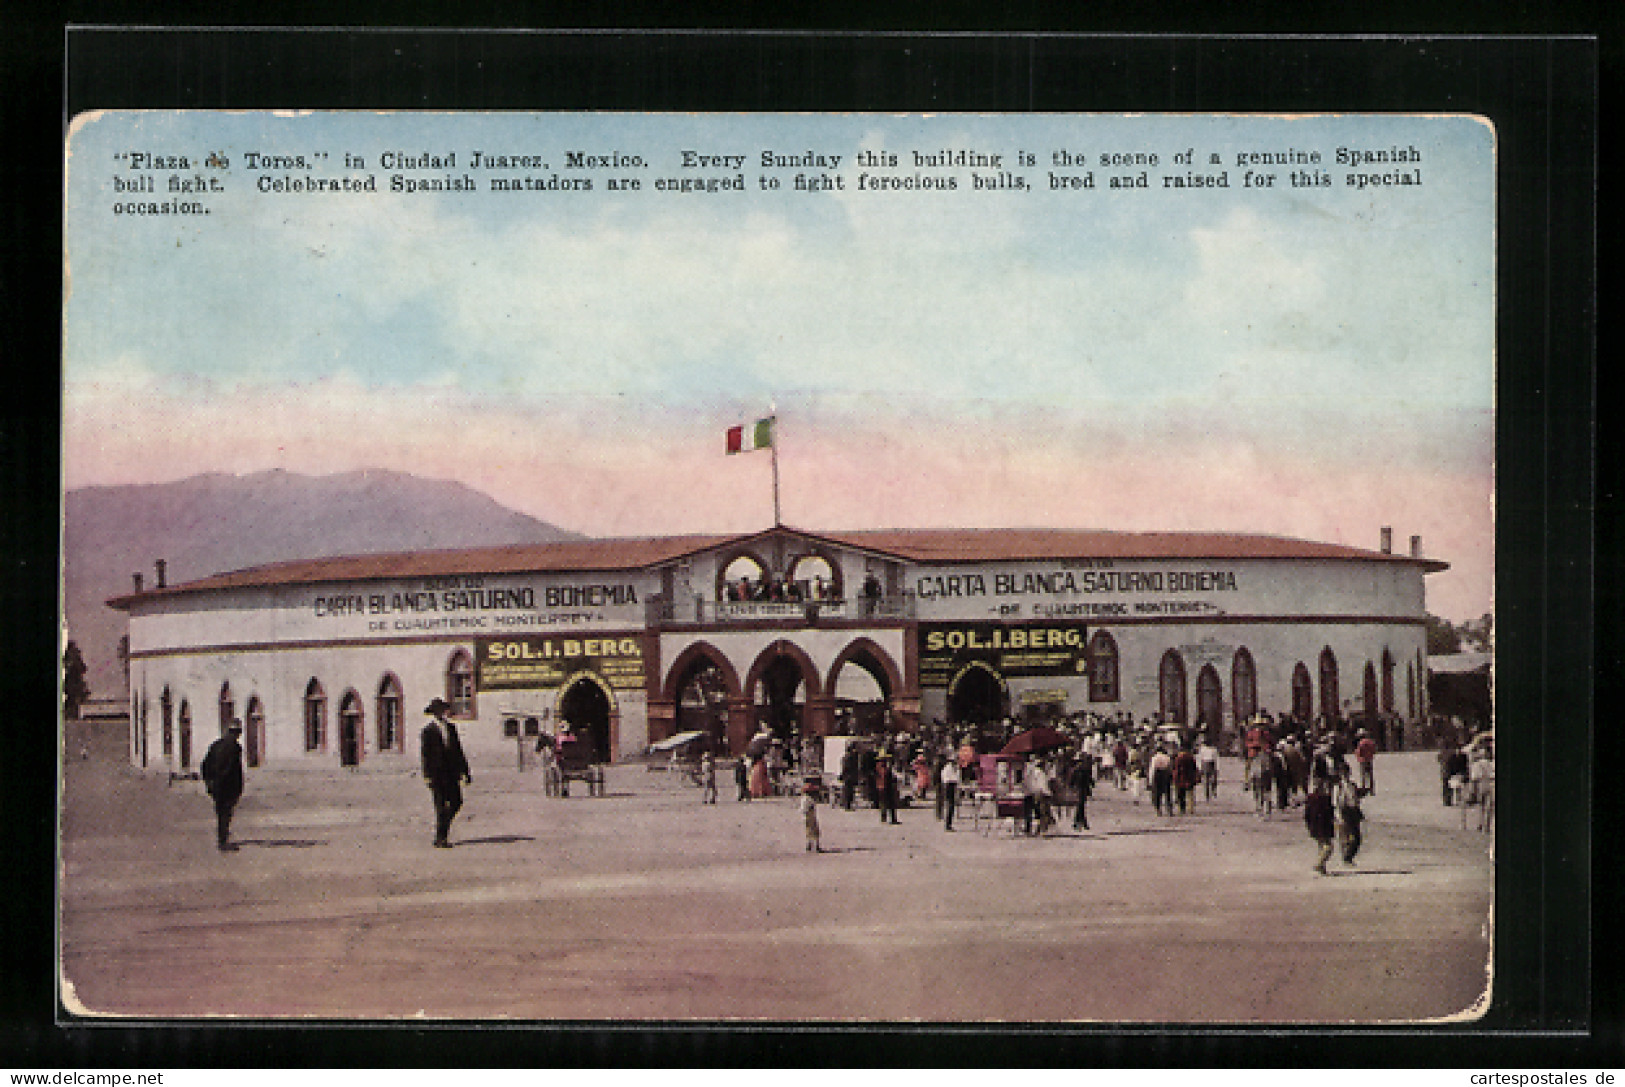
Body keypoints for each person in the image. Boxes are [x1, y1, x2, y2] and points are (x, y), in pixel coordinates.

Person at [420, 698, 471, 848]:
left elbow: (458, 751)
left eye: (443, 710)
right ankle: (441, 838)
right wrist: (427, 776)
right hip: (436, 775)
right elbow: (425, 755)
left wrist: (465, 772)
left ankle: (441, 833)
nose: (443, 713)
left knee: (456, 802)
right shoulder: (428, 731)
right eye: (439, 711)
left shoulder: (451, 728)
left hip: (451, 774)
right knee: (440, 806)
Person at [200, 719, 246, 852]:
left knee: (221, 812)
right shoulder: (235, 748)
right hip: (228, 786)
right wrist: (238, 787)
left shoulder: (216, 745)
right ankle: (223, 841)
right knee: (225, 814)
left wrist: (209, 782)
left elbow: (204, 765)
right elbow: (234, 769)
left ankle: (222, 838)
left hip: (216, 785)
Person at [1304, 782, 1336, 875]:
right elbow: (1330, 813)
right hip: (1323, 826)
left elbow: (1307, 815)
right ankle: (1319, 864)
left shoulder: (1310, 799)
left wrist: (1309, 826)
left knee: (1322, 846)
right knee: (1328, 847)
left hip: (1315, 826)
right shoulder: (1325, 799)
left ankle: (1322, 868)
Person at [1334, 774, 1365, 865]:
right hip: (1344, 811)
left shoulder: (1352, 785)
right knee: (1345, 835)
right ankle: (1346, 857)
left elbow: (1356, 798)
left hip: (1353, 811)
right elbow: (1336, 803)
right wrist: (1338, 814)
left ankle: (1348, 856)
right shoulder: (1338, 787)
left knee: (1356, 837)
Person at [1172, 744, 1201, 814]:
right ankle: (1191, 808)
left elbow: (1176, 769)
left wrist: (1175, 778)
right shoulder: (1191, 757)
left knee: (1181, 794)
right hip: (1189, 777)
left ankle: (1182, 809)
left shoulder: (1178, 758)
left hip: (1181, 778)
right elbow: (1195, 768)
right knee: (1190, 794)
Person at [1070, 749, 1094, 831]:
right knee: (1080, 806)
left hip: (1081, 789)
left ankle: (1080, 822)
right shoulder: (1080, 770)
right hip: (1080, 789)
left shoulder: (1081, 770)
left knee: (1081, 806)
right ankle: (1080, 822)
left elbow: (1089, 780)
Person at [875, 751, 900, 824]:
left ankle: (884, 817)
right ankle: (892, 819)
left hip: (880, 786)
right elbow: (885, 776)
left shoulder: (878, 766)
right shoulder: (883, 767)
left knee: (883, 803)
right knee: (890, 803)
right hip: (886, 786)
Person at [1148, 746, 1173, 817]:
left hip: (1158, 774)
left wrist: (1150, 780)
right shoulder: (1167, 758)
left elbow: (1152, 769)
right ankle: (1169, 809)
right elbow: (1170, 767)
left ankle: (1158, 810)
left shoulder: (1154, 758)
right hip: (1165, 774)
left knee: (1157, 793)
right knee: (1167, 793)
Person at [801, 781, 823, 852]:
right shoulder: (809, 799)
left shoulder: (804, 799)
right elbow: (808, 808)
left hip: (806, 817)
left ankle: (809, 845)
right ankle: (816, 846)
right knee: (815, 831)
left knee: (808, 832)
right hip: (810, 817)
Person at [940, 756, 960, 831]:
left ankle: (949, 823)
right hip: (949, 784)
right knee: (950, 804)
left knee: (952, 805)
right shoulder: (948, 768)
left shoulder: (955, 768)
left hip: (952, 784)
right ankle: (948, 824)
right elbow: (945, 778)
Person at [1355, 729, 1378, 794]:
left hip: (1362, 760)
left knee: (1363, 775)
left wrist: (1358, 756)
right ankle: (1372, 789)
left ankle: (1363, 788)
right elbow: (1374, 751)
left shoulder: (1361, 743)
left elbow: (1359, 752)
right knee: (1370, 775)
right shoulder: (1371, 742)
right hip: (1369, 760)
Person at [1197, 737, 1219, 801]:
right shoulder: (1205, 749)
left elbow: (1216, 758)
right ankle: (1209, 793)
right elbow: (1200, 758)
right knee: (1208, 779)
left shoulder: (1212, 749)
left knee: (1210, 779)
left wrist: (1200, 767)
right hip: (1208, 763)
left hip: (1208, 763)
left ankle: (1211, 791)